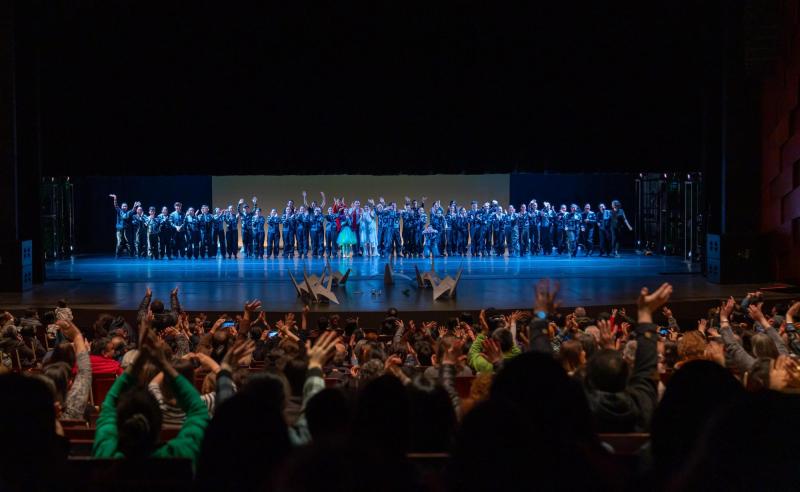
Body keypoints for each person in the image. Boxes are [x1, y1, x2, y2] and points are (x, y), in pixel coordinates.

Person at [92, 343, 209, 464]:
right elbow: (198, 409)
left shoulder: (106, 454)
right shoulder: (180, 454)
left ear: (119, 422)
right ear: (158, 425)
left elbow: (110, 403)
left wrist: (138, 361)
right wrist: (165, 365)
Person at [585, 283, 670, 432]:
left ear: (589, 378)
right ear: (627, 375)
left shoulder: (581, 413)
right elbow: (646, 371)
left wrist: (541, 317)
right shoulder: (643, 405)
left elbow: (645, 373)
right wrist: (645, 313)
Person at [110, 194, 137, 258]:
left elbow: (133, 211)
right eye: (123, 206)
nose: (124, 207)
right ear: (121, 207)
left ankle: (131, 255)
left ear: (127, 207)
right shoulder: (119, 211)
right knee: (119, 242)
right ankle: (117, 255)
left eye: (125, 206)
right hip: (119, 229)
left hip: (127, 229)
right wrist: (115, 198)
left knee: (129, 242)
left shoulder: (129, 213)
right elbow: (116, 206)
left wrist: (134, 206)